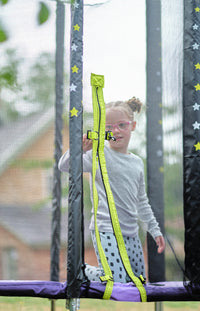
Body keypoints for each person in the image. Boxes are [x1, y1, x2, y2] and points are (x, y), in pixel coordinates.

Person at [58, 97, 165, 283]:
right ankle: (80, 270)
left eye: (122, 125)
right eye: (108, 128)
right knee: (115, 279)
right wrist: (80, 150)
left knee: (137, 281)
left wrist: (154, 230)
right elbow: (64, 166)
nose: (115, 131)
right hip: (106, 229)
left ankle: (92, 273)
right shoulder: (98, 155)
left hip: (131, 232)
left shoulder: (137, 163)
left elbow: (142, 201)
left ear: (133, 126)